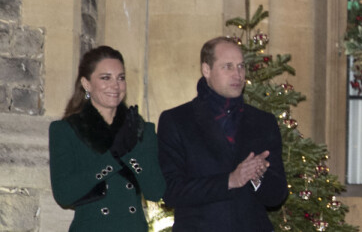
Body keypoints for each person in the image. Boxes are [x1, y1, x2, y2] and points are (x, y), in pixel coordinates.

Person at [157, 36, 288, 231]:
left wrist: (257, 177)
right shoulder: (177, 120)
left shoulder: (263, 121)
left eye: (241, 66)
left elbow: (277, 196)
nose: (238, 74)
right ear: (206, 70)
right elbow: (171, 191)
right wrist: (230, 180)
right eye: (228, 66)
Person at [49, 45, 166, 231]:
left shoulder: (142, 130)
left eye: (121, 78)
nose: (115, 85)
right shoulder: (66, 130)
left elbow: (156, 191)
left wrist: (130, 154)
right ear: (87, 84)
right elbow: (64, 195)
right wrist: (112, 158)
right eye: (105, 78)